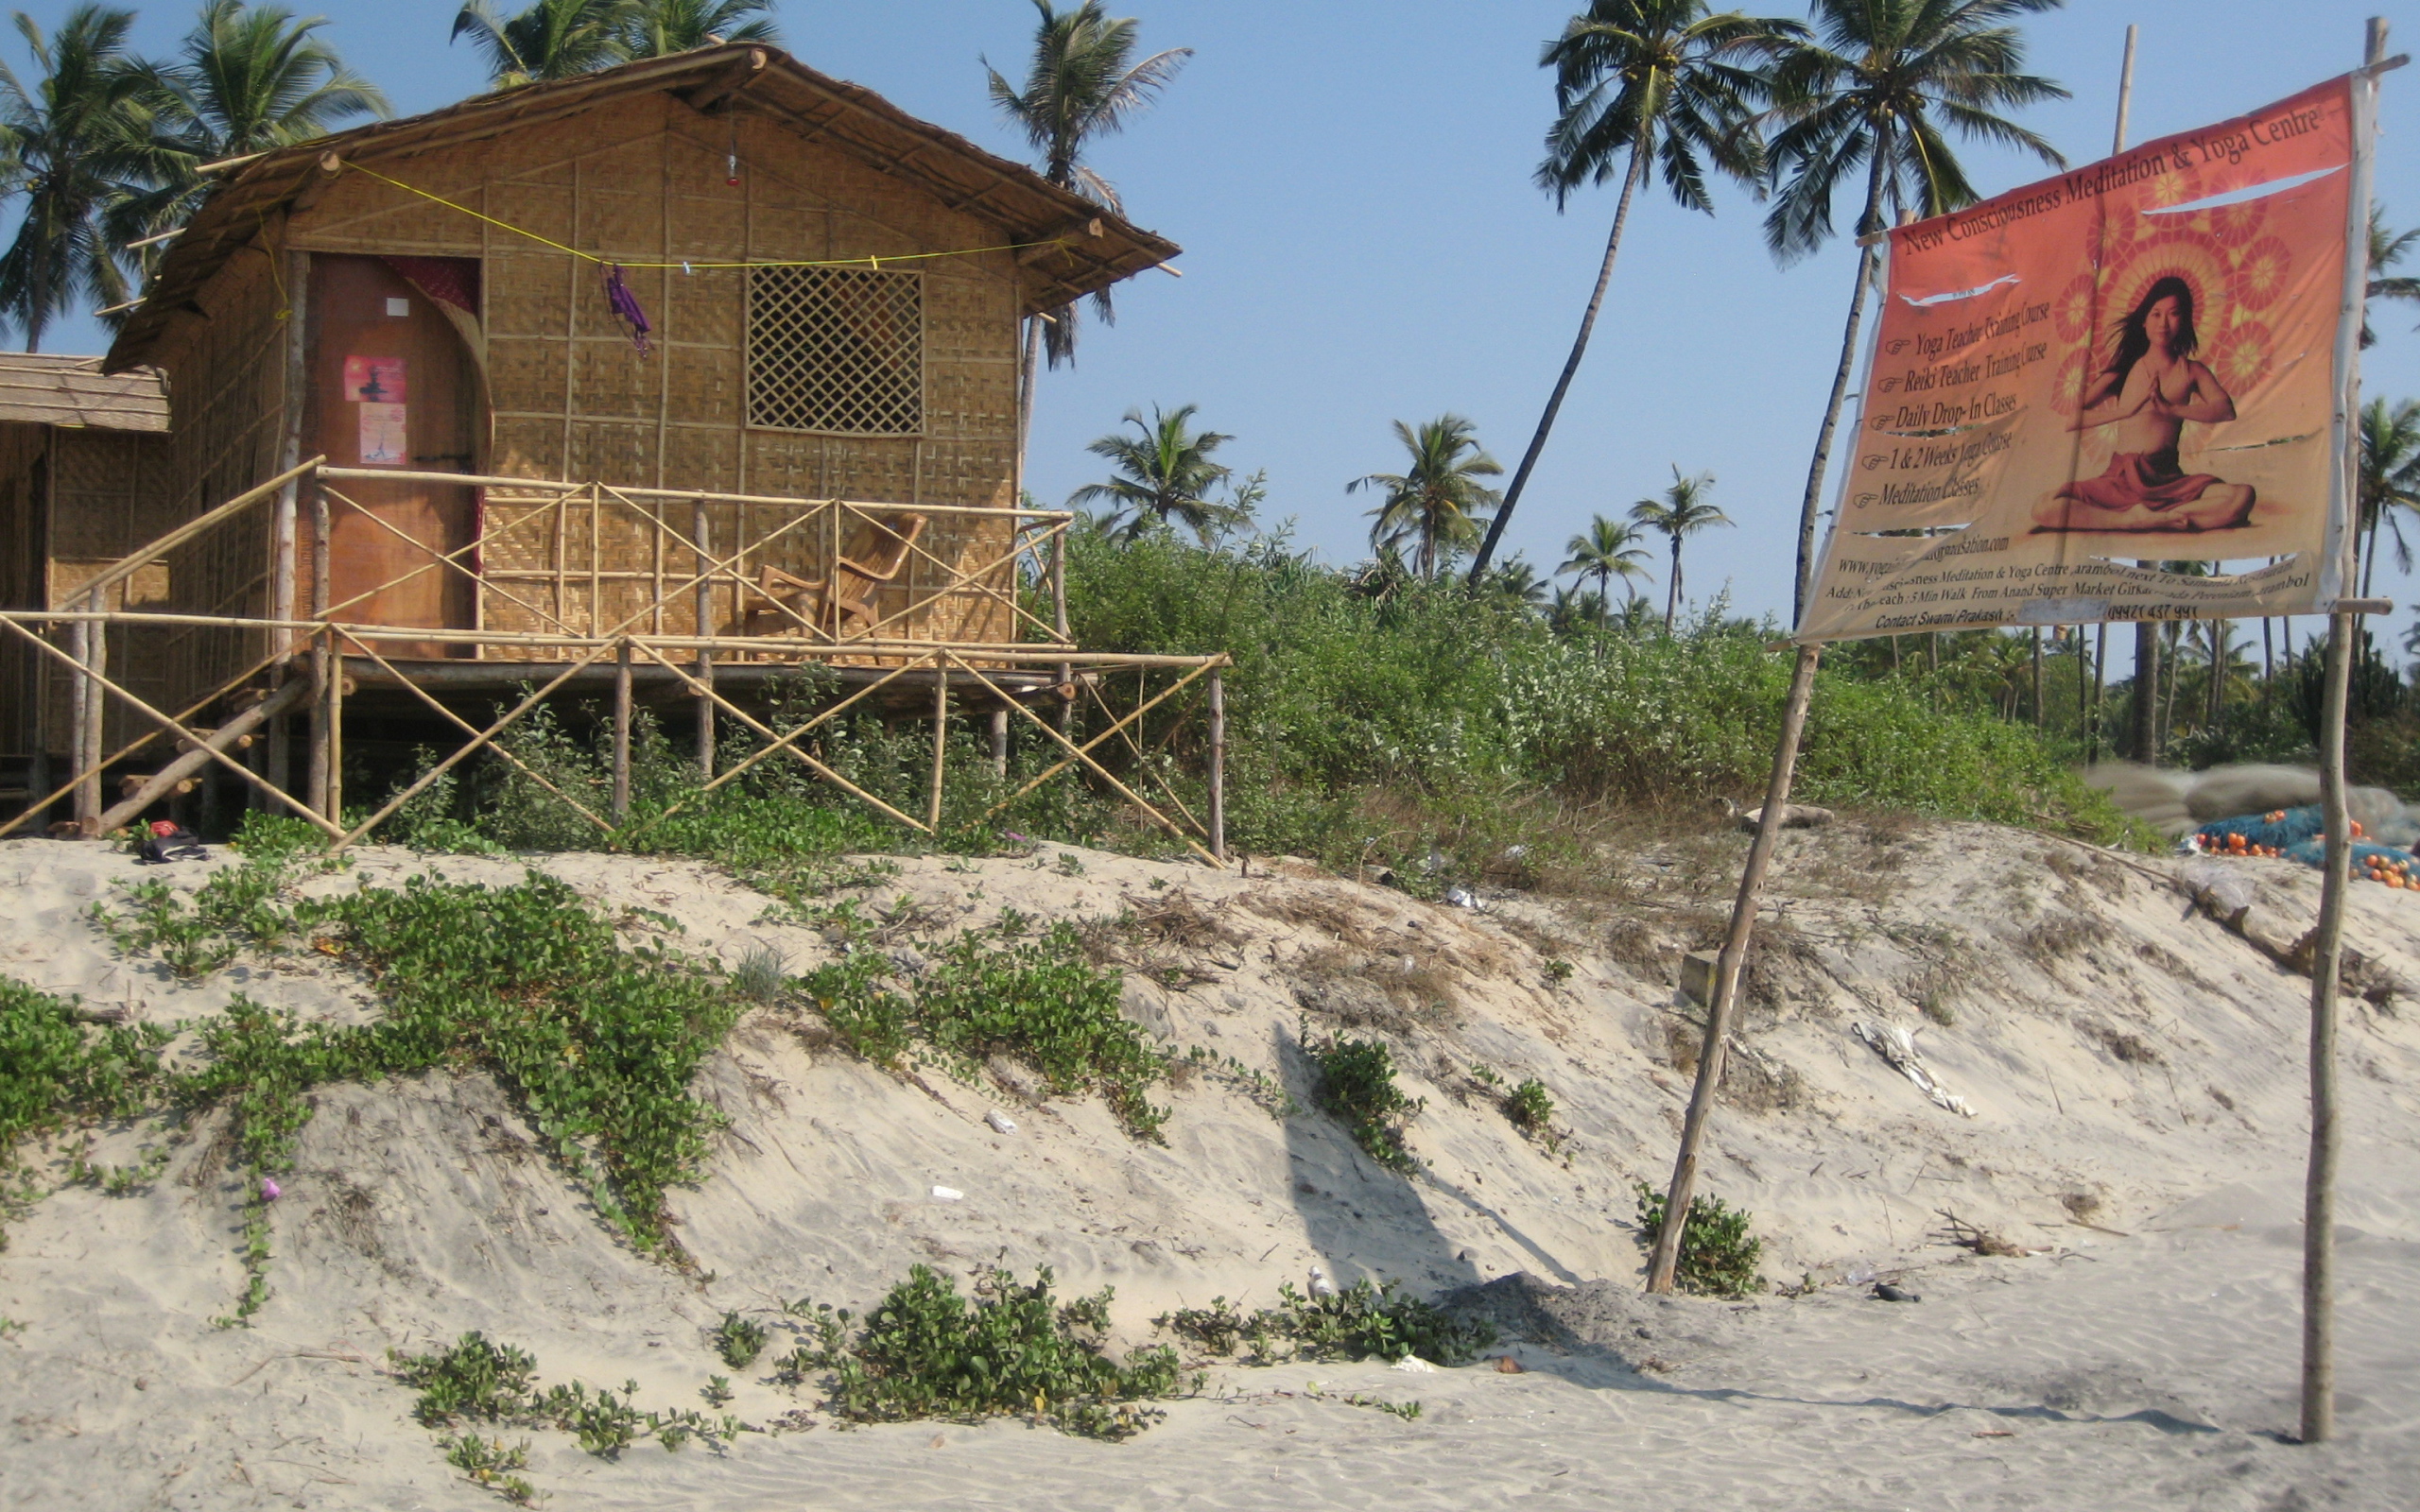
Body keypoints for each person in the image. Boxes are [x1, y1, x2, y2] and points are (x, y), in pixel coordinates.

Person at [2031, 276, 2256, 533]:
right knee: (2044, 507)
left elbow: (2225, 411)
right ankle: (2131, 520)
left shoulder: (2192, 371)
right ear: (2144, 320)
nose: (2163, 324)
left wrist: (2172, 410)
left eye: (2173, 314)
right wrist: (2124, 412)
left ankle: (2160, 517)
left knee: (2242, 496)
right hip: (2121, 479)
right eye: (2156, 314)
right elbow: (2072, 420)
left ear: (2183, 321)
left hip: (2168, 479)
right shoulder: (2124, 371)